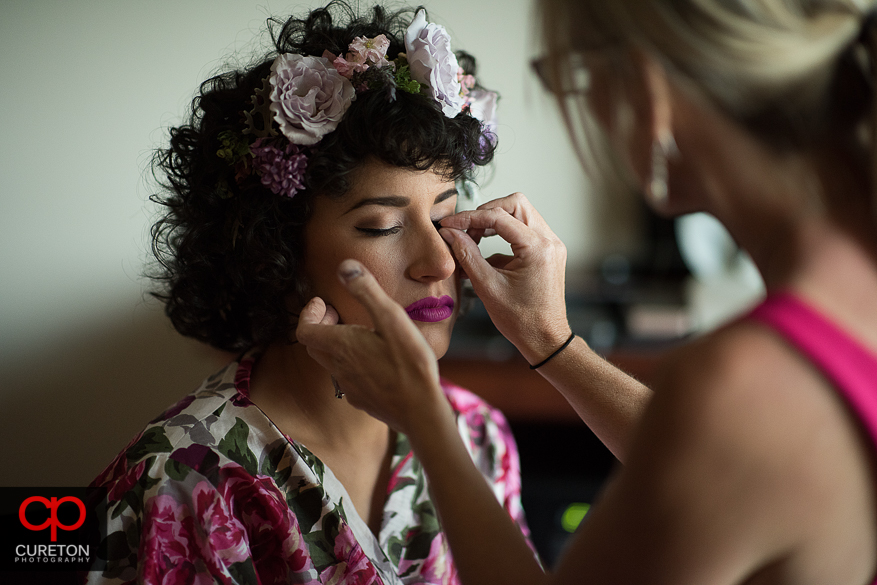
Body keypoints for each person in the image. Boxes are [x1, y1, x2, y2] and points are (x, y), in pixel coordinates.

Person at [296, 0, 877, 582]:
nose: (435, 261)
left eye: (573, 79)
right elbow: (736, 461)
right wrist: (552, 340)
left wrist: (426, 421)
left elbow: (723, 442)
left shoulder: (737, 386)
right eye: (380, 227)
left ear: (648, 92)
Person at [84, 3, 537, 584]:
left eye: (446, 217)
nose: (438, 261)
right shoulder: (181, 477)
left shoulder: (479, 435)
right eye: (382, 227)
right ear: (278, 251)